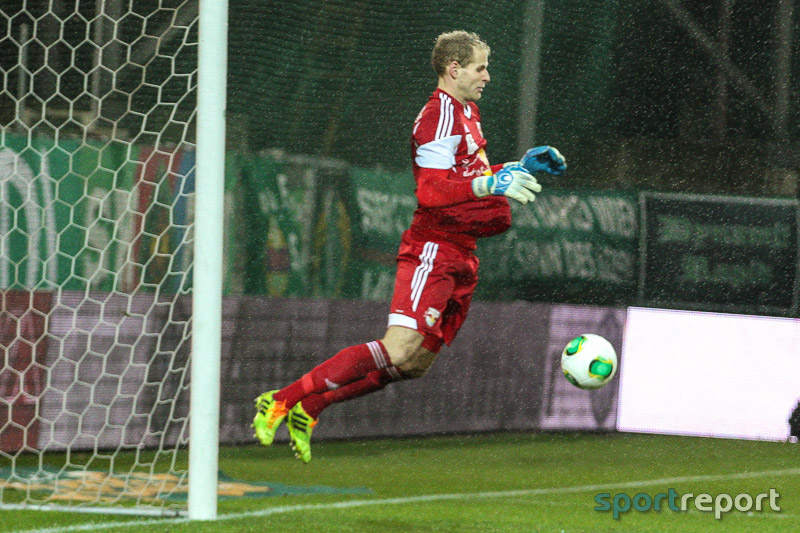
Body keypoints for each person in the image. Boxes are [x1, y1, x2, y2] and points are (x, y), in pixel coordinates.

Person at [253, 30, 566, 463]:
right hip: (434, 248)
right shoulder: (438, 115)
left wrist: (516, 166)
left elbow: (465, 175)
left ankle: (312, 406)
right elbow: (433, 192)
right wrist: (493, 182)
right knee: (397, 347)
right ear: (454, 69)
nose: (488, 76)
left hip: (463, 254)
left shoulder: (467, 112)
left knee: (413, 365)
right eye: (480, 67)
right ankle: (282, 400)